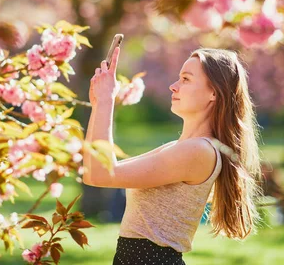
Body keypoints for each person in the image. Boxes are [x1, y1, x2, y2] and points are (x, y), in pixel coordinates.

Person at [83, 47, 263, 264]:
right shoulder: (179, 148)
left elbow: (103, 174)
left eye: (186, 79)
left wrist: (106, 102)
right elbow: (93, 172)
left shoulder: (198, 151)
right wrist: (98, 105)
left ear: (213, 92)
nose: (173, 86)